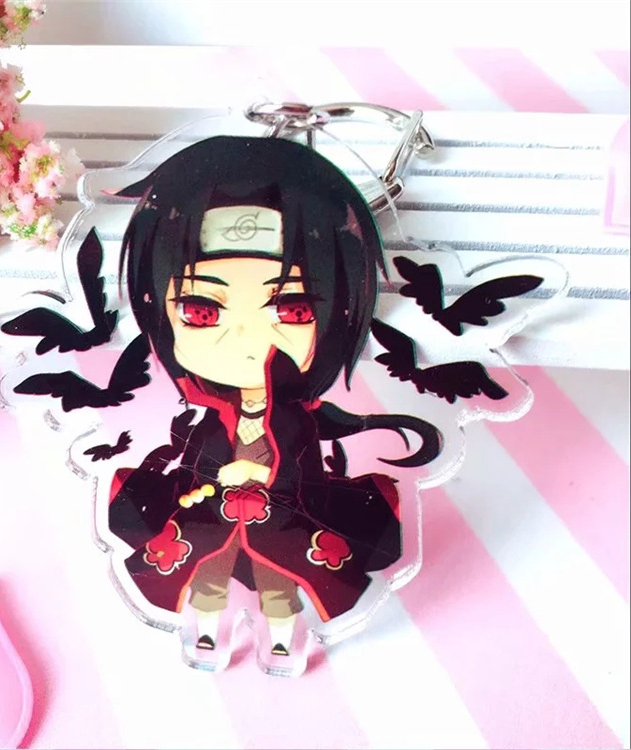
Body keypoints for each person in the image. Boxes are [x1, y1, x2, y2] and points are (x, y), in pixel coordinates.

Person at [108, 135, 442, 656]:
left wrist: (261, 474)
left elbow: (301, 466)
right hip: (212, 519)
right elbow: (195, 462)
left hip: (281, 520)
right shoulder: (209, 418)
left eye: (292, 310)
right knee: (204, 575)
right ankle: (206, 631)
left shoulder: (295, 420)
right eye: (201, 311)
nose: (247, 337)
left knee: (279, 584)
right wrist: (205, 479)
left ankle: (281, 641)